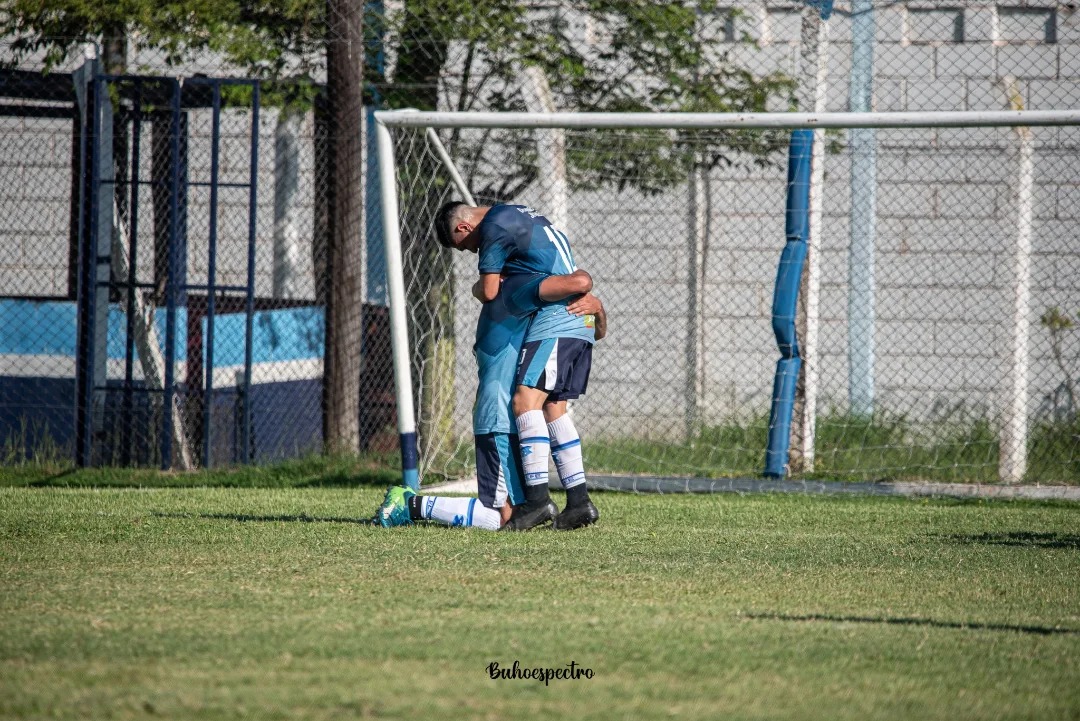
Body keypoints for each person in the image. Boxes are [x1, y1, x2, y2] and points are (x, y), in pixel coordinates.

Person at [375, 268, 602, 530]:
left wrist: (596, 310)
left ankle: (569, 502)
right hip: (498, 422)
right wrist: (593, 302)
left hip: (510, 423)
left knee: (517, 512)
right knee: (502, 517)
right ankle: (411, 504)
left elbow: (591, 327)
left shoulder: (521, 295)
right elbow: (579, 281)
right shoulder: (514, 290)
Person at [434, 201, 606, 531]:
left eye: (466, 246)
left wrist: (479, 288)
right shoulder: (522, 217)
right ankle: (579, 502)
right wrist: (596, 308)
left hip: (557, 323)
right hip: (578, 325)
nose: (474, 253)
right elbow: (586, 292)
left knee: (524, 402)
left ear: (464, 228)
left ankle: (538, 501)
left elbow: (579, 282)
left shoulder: (511, 268)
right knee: (554, 408)